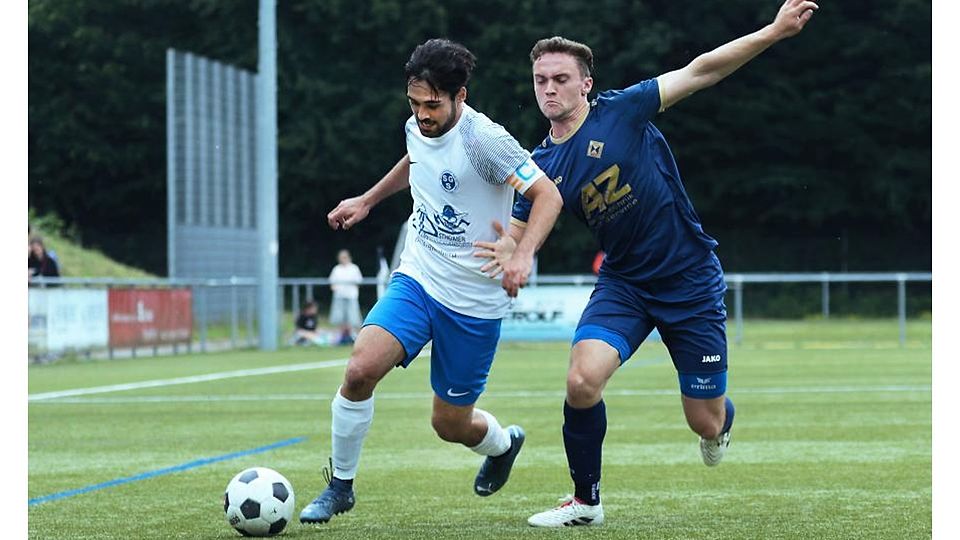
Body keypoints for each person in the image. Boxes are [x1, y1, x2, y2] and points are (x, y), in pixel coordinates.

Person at [477, 0, 818, 527]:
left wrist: (772, 32)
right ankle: (586, 503)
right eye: (541, 80)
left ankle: (721, 421)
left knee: (704, 422)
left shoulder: (622, 110)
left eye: (561, 79)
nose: (549, 89)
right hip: (625, 286)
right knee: (581, 381)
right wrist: (510, 250)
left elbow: (701, 70)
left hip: (689, 280)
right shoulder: (540, 164)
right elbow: (521, 229)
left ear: (586, 84)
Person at [298, 38, 563, 525]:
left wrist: (522, 253)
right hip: (419, 276)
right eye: (414, 103)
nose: (422, 114)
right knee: (359, 371)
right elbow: (415, 157)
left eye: (432, 105)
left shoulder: (485, 141)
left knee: (449, 424)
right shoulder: (416, 125)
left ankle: (502, 445)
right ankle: (340, 487)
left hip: (474, 300)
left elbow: (548, 194)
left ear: (460, 96)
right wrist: (367, 200)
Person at [328, 249, 363, 344]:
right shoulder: (336, 269)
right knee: (339, 318)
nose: (343, 259)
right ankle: (339, 338)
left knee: (353, 318)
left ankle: (355, 338)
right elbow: (332, 282)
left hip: (351, 296)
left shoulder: (354, 268)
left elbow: (359, 281)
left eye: (344, 257)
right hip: (339, 296)